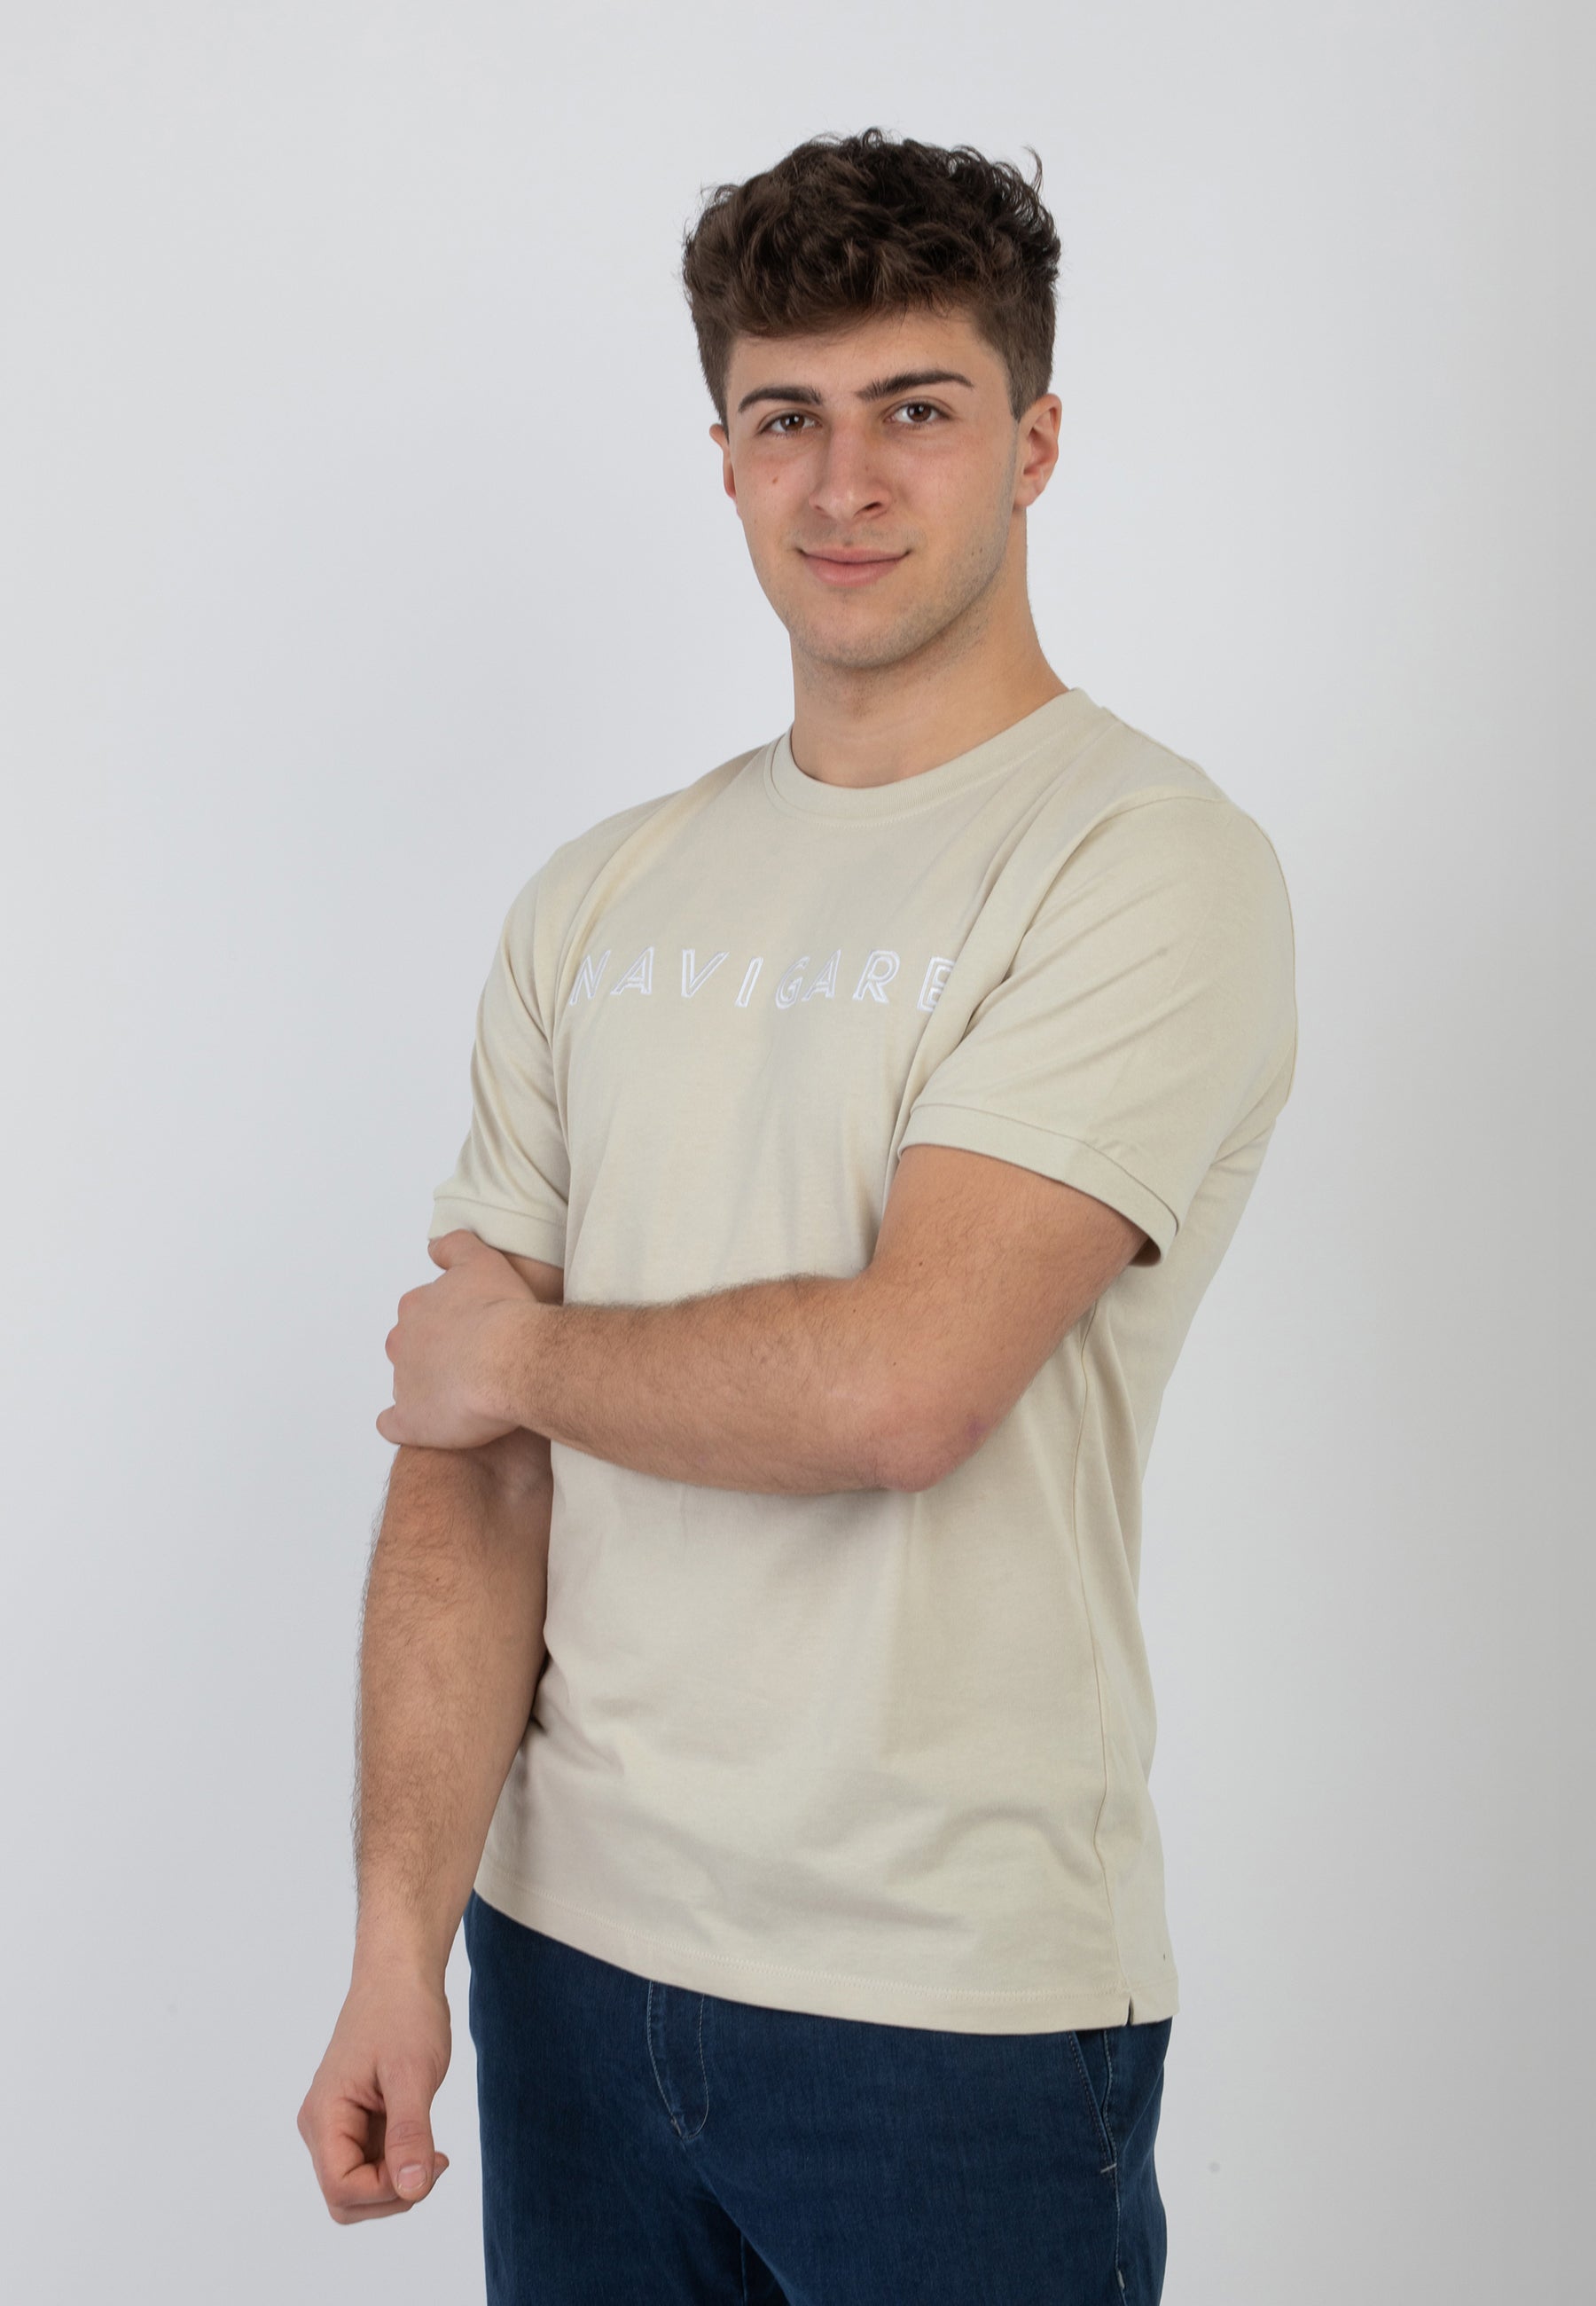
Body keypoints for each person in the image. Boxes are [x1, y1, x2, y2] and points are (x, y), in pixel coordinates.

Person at [297, 128, 1298, 2303]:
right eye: (786, 419)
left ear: (1034, 443)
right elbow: (471, 1472)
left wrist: (515, 1352)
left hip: (942, 2006)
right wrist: (398, 1940)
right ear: (728, 458)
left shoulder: (1140, 863)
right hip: (561, 1961)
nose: (844, 483)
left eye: (914, 409)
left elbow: (902, 1389)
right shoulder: (601, 892)